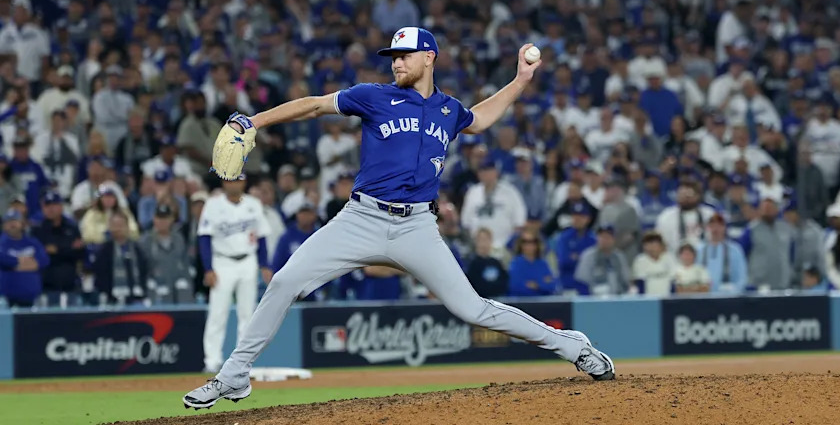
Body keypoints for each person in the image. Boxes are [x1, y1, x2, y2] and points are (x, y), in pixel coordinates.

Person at [185, 31, 614, 410]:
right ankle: (234, 376)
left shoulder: (448, 110)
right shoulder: (374, 95)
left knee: (473, 309)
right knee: (283, 281)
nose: (396, 61)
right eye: (393, 55)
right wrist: (253, 120)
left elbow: (481, 119)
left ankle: (572, 345)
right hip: (360, 218)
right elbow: (316, 106)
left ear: (430, 57)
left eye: (405, 54)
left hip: (417, 229)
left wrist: (520, 81)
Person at [197, 176, 273, 374]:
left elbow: (262, 235)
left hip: (248, 261)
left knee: (247, 314)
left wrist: (264, 265)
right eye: (230, 180)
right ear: (224, 183)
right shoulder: (213, 205)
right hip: (222, 262)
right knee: (217, 313)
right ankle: (212, 360)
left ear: (244, 183)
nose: (234, 184)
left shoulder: (254, 204)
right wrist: (208, 268)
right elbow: (204, 238)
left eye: (238, 180)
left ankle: (242, 363)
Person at [32, 190, 84, 296]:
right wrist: (67, 248)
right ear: (43, 208)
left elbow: (78, 253)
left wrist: (56, 250)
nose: (51, 208)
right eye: (47, 205)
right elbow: (40, 256)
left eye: (54, 204)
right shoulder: (37, 229)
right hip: (46, 284)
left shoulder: (72, 227)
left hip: (70, 282)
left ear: (61, 206)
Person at [139, 204, 192, 304]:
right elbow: (142, 267)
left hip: (177, 286)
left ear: (171, 219)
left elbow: (185, 264)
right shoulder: (146, 241)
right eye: (159, 218)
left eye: (165, 218)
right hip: (154, 288)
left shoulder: (179, 239)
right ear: (154, 219)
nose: (162, 222)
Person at [93, 211, 149, 305]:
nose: (118, 228)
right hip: (112, 300)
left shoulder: (137, 249)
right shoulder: (104, 251)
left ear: (127, 226)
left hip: (137, 298)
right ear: (110, 227)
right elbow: (101, 276)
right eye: (114, 225)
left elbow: (144, 271)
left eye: (120, 225)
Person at [0, 209, 49, 307]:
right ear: (4, 225)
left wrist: (17, 265)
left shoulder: (33, 242)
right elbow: (3, 259)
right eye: (9, 222)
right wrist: (23, 262)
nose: (12, 224)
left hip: (32, 297)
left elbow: (44, 260)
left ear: (22, 223)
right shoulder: (2, 243)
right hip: (6, 299)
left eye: (15, 221)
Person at [696, 213, 748, 294]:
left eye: (719, 225)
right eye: (712, 225)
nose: (715, 229)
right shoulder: (699, 250)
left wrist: (734, 293)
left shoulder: (735, 250)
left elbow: (742, 277)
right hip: (703, 299)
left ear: (724, 228)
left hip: (728, 299)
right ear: (707, 228)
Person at [573, 225, 632, 296]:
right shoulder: (588, 256)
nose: (604, 240)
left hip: (617, 299)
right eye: (601, 237)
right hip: (594, 299)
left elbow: (626, 281)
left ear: (613, 239)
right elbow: (582, 282)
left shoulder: (619, 256)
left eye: (607, 237)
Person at [554, 207, 597, 294]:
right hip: (567, 284)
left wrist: (577, 257)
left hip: (587, 285)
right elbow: (563, 261)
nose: (577, 219)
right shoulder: (564, 237)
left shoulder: (592, 238)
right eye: (575, 216)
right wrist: (582, 258)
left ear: (588, 219)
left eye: (581, 217)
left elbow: (593, 262)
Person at [507, 229, 558, 297]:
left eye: (532, 242)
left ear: (537, 244)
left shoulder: (543, 264)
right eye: (525, 242)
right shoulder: (515, 264)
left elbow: (552, 285)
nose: (529, 245)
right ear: (520, 244)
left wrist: (536, 285)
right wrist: (542, 284)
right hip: (521, 303)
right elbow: (515, 287)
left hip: (541, 304)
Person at [465, 228, 508, 298]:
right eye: (481, 240)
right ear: (476, 242)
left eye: (486, 239)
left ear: (491, 241)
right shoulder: (471, 264)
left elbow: (503, 283)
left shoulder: (496, 263)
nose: (484, 243)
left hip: (497, 301)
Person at [631, 231, 675, 297]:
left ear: (661, 245)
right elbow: (640, 284)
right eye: (648, 243)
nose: (651, 246)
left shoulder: (669, 258)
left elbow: (673, 281)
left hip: (667, 299)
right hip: (649, 300)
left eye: (654, 243)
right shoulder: (640, 261)